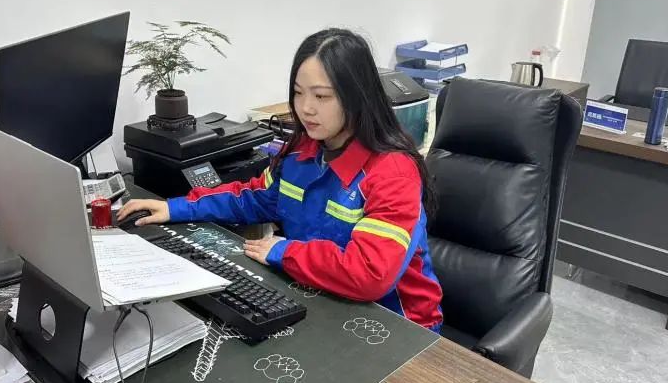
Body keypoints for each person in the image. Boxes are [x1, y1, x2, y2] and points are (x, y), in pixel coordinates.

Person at [117, 29, 443, 331]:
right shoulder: (303, 148)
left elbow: (370, 274)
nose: (306, 108)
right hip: (324, 298)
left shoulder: (393, 172)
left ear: (357, 96)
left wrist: (284, 252)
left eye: (322, 97)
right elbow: (255, 197)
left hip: (399, 326)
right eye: (298, 93)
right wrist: (174, 208)